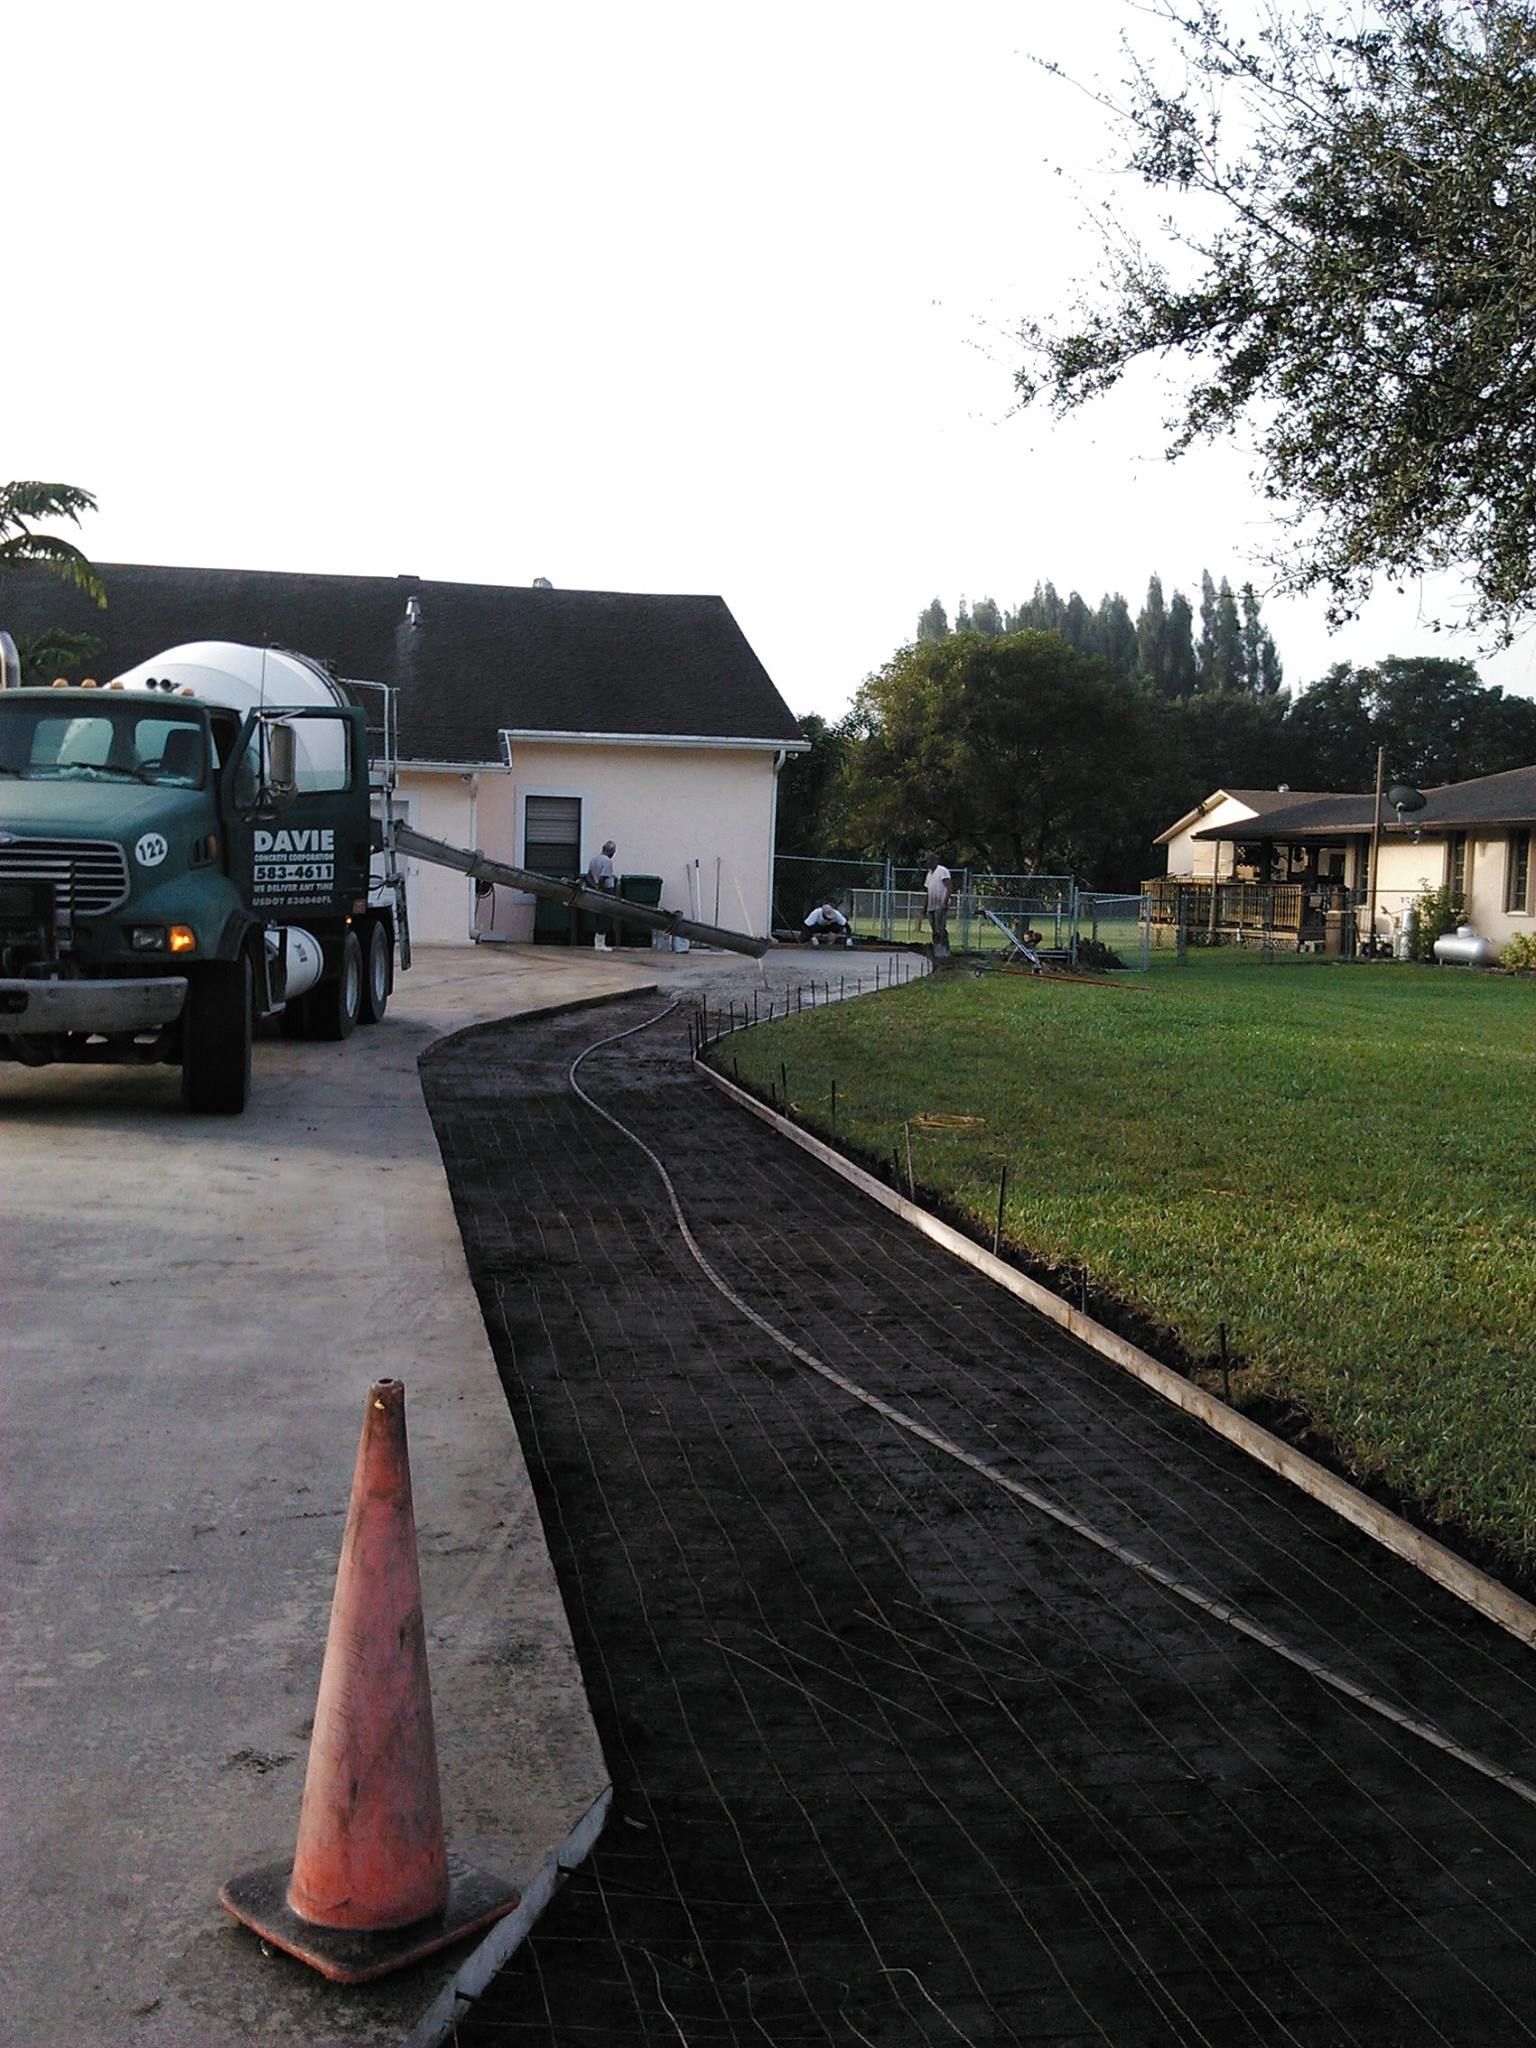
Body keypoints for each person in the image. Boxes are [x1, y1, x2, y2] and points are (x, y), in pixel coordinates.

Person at [586, 839, 618, 946]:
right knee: (606, 917)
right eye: (614, 851)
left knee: (599, 915)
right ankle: (601, 943)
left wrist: (594, 886)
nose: (614, 854)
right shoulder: (607, 861)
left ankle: (597, 942)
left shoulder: (594, 859)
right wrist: (600, 887)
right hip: (607, 890)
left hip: (596, 889)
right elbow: (603, 877)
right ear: (611, 850)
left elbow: (589, 875)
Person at [923, 855, 952, 956]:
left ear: (935, 861)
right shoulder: (929, 874)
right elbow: (928, 891)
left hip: (940, 905)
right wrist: (925, 907)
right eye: (927, 862)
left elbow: (949, 887)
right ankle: (937, 949)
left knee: (940, 928)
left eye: (929, 861)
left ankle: (945, 950)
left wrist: (945, 902)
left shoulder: (942, 871)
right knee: (934, 930)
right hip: (931, 905)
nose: (927, 863)